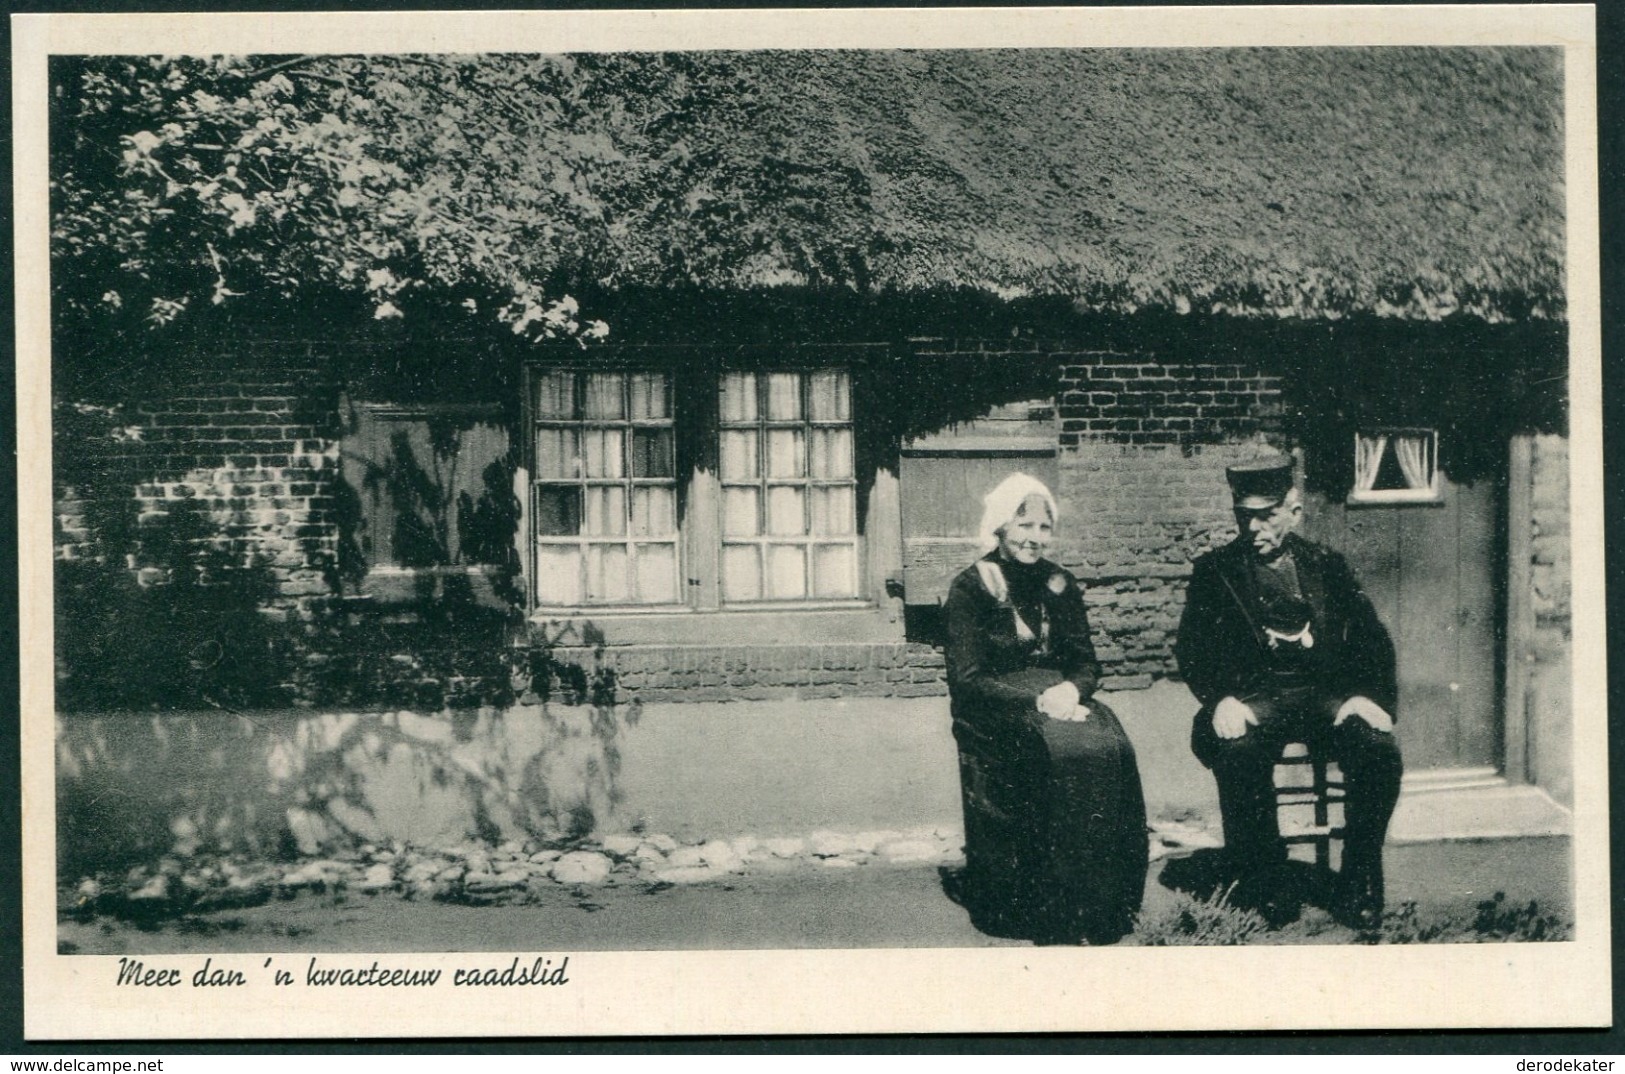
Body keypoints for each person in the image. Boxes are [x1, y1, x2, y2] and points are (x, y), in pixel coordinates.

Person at [1175, 454, 1403, 929]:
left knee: (1379, 752)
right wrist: (1220, 700)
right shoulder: (1215, 572)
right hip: (1254, 697)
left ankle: (1359, 877)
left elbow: (1371, 639)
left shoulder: (1326, 566)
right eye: (1245, 516)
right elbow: (1193, 650)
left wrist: (1365, 697)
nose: (1254, 527)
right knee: (1237, 754)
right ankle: (1266, 880)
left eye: (1266, 515)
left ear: (1293, 512)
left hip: (1324, 697)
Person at [943, 473, 1148, 944]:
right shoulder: (972, 587)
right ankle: (1046, 907)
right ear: (999, 526)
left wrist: (1074, 691)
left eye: (1044, 527)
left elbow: (1085, 662)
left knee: (1112, 746)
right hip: (995, 709)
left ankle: (1104, 905)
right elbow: (968, 681)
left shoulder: (1060, 582)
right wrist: (1036, 699)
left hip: (1057, 699)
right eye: (1024, 525)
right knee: (1051, 755)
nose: (1035, 538)